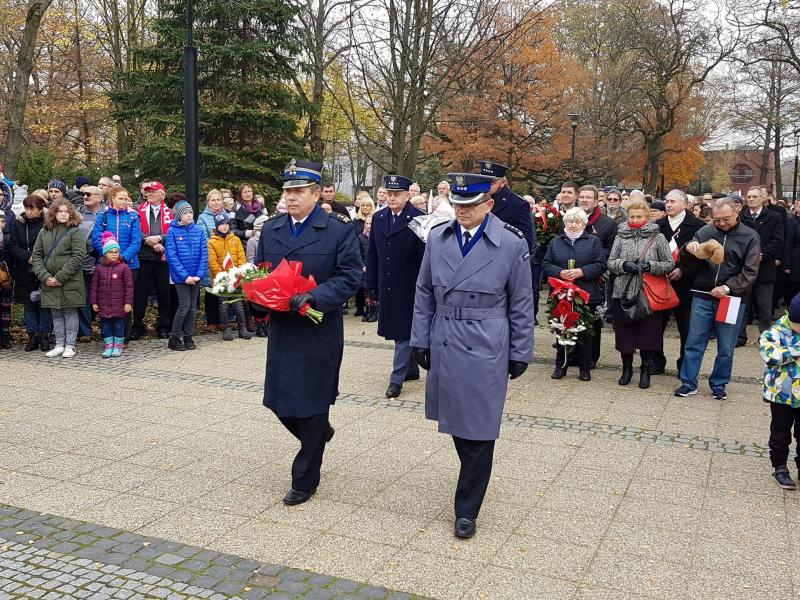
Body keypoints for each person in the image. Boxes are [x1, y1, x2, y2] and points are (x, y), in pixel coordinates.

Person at [410, 172, 533, 539]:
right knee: (456, 421)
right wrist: (421, 339)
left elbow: (522, 302)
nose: (461, 211)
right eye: (458, 204)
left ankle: (467, 509)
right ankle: (472, 482)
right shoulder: (438, 238)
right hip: (446, 333)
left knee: (479, 428)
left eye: (470, 205)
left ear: (489, 205)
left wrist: (520, 350)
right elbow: (423, 294)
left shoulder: (511, 243)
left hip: (487, 340)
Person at [255, 159, 361, 506]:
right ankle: (318, 435)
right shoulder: (271, 230)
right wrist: (257, 296)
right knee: (279, 401)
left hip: (318, 328)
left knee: (313, 404)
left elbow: (350, 277)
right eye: (287, 191)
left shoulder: (337, 229)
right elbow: (261, 274)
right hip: (284, 329)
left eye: (298, 191)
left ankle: (304, 478)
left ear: (316, 193)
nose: (291, 197)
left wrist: (315, 296)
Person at [675, 198, 761, 399]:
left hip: (731, 299)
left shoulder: (750, 236)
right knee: (694, 342)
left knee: (726, 345)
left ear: (737, 212)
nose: (722, 223)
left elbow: (750, 272)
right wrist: (688, 248)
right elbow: (687, 262)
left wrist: (728, 287)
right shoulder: (705, 232)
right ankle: (688, 382)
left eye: (726, 219)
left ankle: (719, 384)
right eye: (717, 220)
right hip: (702, 295)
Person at [366, 174, 426, 398]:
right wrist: (371, 283)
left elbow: (424, 260)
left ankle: (396, 380)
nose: (391, 198)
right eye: (389, 194)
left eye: (396, 194)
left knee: (403, 333)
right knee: (397, 331)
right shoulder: (380, 217)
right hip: (387, 284)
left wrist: (425, 288)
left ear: (407, 195)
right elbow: (373, 255)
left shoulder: (419, 219)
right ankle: (411, 369)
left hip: (410, 286)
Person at [607, 199, 674, 388]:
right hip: (624, 291)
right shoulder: (621, 235)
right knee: (625, 335)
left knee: (648, 334)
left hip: (649, 293)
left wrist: (650, 266)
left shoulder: (658, 237)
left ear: (647, 217)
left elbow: (669, 264)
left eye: (639, 216)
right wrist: (624, 265)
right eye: (632, 216)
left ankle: (646, 370)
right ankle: (626, 369)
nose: (635, 219)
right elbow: (611, 262)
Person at [542, 207, 606, 381]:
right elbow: (546, 263)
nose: (573, 225)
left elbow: (601, 264)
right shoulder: (556, 241)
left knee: (585, 332)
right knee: (562, 330)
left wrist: (582, 271)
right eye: (570, 221)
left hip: (585, 293)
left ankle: (585, 368)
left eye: (577, 222)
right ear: (565, 223)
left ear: (584, 224)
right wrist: (559, 272)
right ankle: (560, 366)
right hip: (561, 294)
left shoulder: (593, 241)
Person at [654, 189, 706, 373]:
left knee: (686, 328)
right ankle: (656, 361)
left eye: (673, 201)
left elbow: (701, 255)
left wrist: (683, 270)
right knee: (657, 325)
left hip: (686, 284)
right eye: (667, 201)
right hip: (661, 282)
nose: (668, 205)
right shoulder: (657, 226)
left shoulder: (698, 226)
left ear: (685, 205)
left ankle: (685, 364)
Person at [479, 161, 537, 316]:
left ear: (502, 182)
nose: (487, 185)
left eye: (491, 182)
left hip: (501, 265)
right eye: (483, 181)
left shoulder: (517, 205)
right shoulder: (477, 200)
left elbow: (526, 241)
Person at [31, 199, 87, 358]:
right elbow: (36, 256)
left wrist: (60, 277)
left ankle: (70, 345)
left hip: (69, 280)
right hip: (49, 281)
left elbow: (78, 256)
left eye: (66, 211)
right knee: (56, 313)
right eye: (60, 211)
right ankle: (59, 344)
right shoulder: (44, 232)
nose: (63, 214)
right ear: (53, 214)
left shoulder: (74, 232)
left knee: (69, 312)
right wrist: (45, 277)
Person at [91, 186, 142, 343]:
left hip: (129, 265)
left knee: (125, 299)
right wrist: (108, 256)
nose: (124, 201)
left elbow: (136, 240)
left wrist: (123, 258)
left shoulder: (133, 217)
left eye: (126, 199)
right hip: (106, 265)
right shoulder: (103, 215)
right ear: (112, 198)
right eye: (121, 198)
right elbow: (96, 238)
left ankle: (123, 336)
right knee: (107, 298)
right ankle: (108, 335)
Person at [760, 294, 800, 490]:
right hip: (781, 395)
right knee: (780, 432)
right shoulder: (775, 332)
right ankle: (780, 467)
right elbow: (770, 355)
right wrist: (795, 350)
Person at [738, 186, 784, 346]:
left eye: (754, 196)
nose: (750, 199)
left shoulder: (774, 217)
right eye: (748, 196)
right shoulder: (741, 216)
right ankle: (739, 336)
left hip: (764, 269)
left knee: (764, 308)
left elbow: (777, 241)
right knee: (743, 305)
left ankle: (766, 338)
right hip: (744, 268)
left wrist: (761, 255)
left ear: (763, 198)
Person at [578, 184, 618, 365]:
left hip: (595, 277)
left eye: (588, 197)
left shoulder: (607, 224)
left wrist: (594, 263)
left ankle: (591, 357)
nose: (584, 200)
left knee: (592, 318)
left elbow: (612, 250)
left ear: (596, 201)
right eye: (582, 197)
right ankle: (571, 353)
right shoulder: (572, 219)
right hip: (572, 277)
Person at [130, 181, 173, 340]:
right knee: (140, 294)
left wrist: (160, 238)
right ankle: (138, 326)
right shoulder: (137, 211)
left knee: (164, 294)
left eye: (153, 191)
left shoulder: (172, 212)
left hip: (163, 258)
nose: (148, 194)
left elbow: (174, 232)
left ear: (162, 194)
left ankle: (163, 326)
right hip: (144, 257)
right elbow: (135, 230)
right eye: (147, 191)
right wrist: (150, 241)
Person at [165, 201, 208, 351]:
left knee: (193, 307)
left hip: (195, 276)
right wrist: (184, 276)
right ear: (179, 215)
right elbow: (172, 256)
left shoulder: (199, 231)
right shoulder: (172, 232)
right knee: (184, 306)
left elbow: (204, 254)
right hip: (181, 277)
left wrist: (199, 274)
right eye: (185, 213)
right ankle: (174, 337)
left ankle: (188, 336)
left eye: (190, 212)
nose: (189, 215)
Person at [9, 195, 51, 351]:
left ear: (40, 209)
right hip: (24, 268)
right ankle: (32, 335)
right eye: (26, 208)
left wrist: (39, 258)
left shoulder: (47, 223)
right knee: (29, 304)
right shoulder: (18, 223)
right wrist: (28, 257)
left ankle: (44, 335)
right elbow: (12, 245)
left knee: (45, 304)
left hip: (44, 267)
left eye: (32, 209)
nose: (29, 212)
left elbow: (52, 243)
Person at [208, 212, 252, 341]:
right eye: (221, 225)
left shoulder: (236, 239)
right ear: (217, 227)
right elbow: (212, 262)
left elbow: (241, 257)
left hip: (236, 278)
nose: (224, 227)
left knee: (238, 305)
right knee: (224, 305)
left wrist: (238, 274)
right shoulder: (211, 242)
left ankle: (242, 328)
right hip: (221, 280)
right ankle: (226, 329)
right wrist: (223, 276)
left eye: (226, 224)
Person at [91, 233, 133, 358]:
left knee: (119, 324)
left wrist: (128, 303)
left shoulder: (124, 268)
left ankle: (118, 345)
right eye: (111, 252)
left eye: (116, 251)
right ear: (105, 253)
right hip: (104, 304)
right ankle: (109, 345)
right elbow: (94, 286)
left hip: (119, 305)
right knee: (106, 325)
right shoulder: (99, 268)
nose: (114, 254)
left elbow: (129, 287)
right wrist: (94, 302)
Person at [77, 185, 105, 340]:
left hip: (104, 262)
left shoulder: (108, 213)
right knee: (84, 297)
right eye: (84, 194)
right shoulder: (78, 214)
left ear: (100, 197)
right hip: (83, 263)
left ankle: (107, 330)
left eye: (89, 194)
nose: (85, 196)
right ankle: (85, 331)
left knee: (106, 297)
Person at [198, 189, 226, 332]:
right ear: (208, 202)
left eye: (218, 200)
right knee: (211, 290)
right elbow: (204, 238)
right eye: (213, 200)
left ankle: (223, 320)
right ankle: (211, 321)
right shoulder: (203, 218)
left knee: (223, 289)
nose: (216, 202)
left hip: (226, 257)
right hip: (211, 257)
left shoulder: (227, 215)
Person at [0, 210, 12, 348]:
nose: (0, 224)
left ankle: (5, 334)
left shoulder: (9, 237)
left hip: (5, 275)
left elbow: (11, 256)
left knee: (5, 306)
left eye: (3, 221)